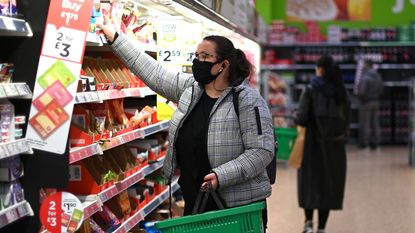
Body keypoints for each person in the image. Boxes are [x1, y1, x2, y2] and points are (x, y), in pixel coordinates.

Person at [98, 18, 275, 230]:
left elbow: (261, 151)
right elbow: (155, 73)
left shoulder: (247, 100)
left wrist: (221, 175)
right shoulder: (191, 89)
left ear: (224, 65)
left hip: (235, 204)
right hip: (197, 198)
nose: (198, 62)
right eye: (197, 56)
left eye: (206, 56)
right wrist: (116, 39)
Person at [295, 55, 350, 233]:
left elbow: (302, 118)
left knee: (310, 183)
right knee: (329, 183)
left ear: (320, 69)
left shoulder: (310, 89)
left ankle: (308, 223)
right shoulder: (341, 92)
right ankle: (322, 228)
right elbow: (347, 119)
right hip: (335, 146)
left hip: (312, 144)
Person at [357, 59, 383, 149]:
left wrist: (359, 96)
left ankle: (365, 144)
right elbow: (381, 90)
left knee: (365, 123)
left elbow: (362, 92)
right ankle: (377, 142)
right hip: (376, 101)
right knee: (375, 123)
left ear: (367, 65)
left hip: (366, 102)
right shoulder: (378, 76)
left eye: (364, 64)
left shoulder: (365, 77)